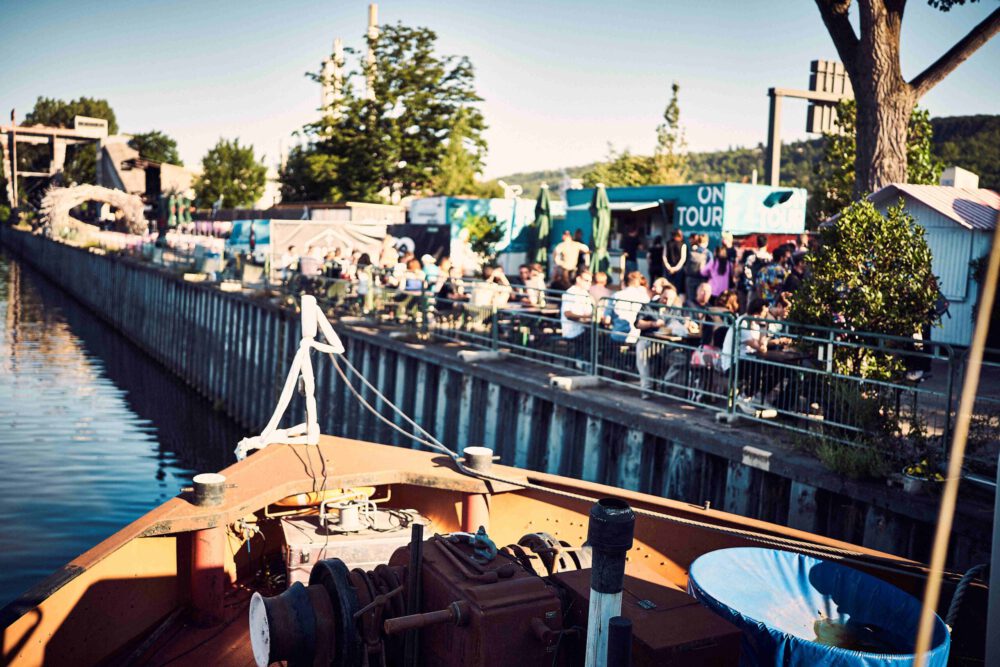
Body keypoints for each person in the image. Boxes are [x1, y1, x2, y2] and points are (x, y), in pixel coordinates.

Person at [721, 298, 778, 418]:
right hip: (732, 362)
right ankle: (744, 398)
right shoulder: (743, 322)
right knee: (757, 368)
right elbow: (759, 347)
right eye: (764, 313)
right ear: (757, 312)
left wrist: (763, 328)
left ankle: (756, 397)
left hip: (747, 359)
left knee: (775, 370)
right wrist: (764, 329)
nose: (765, 316)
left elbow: (763, 347)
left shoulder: (755, 324)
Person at [604, 271, 649, 343]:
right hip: (637, 337)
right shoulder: (645, 297)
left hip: (617, 335)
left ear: (624, 282)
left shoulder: (616, 295)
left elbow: (607, 320)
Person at [560, 271, 594, 359]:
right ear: (578, 279)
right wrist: (587, 317)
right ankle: (581, 361)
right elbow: (567, 314)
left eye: (590, 281)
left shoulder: (585, 293)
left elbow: (588, 312)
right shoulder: (570, 293)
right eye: (586, 280)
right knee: (595, 338)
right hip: (573, 330)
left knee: (601, 337)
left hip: (583, 328)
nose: (589, 284)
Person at [683, 233, 711, 304]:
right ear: (706, 242)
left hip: (690, 278)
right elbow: (710, 268)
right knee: (700, 300)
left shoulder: (692, 251)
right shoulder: (708, 253)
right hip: (701, 279)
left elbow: (685, 264)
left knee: (690, 299)